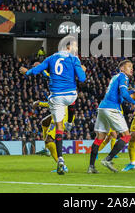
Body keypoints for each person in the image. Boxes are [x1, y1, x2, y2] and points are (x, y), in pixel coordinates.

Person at [20, 36, 86, 174]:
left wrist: (27, 72)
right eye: (75, 47)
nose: (76, 50)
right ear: (68, 48)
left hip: (56, 97)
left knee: (59, 129)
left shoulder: (50, 58)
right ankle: (70, 122)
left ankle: (60, 158)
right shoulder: (74, 59)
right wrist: (81, 69)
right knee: (72, 99)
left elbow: (37, 70)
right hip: (70, 95)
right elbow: (82, 78)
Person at [88, 59, 135, 173]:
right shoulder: (124, 77)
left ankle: (91, 167)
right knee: (126, 136)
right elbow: (123, 94)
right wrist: (134, 103)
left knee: (100, 137)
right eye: (129, 66)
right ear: (122, 68)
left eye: (132, 67)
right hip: (112, 108)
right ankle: (108, 159)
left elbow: (122, 93)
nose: (131, 68)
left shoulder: (116, 77)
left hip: (103, 107)